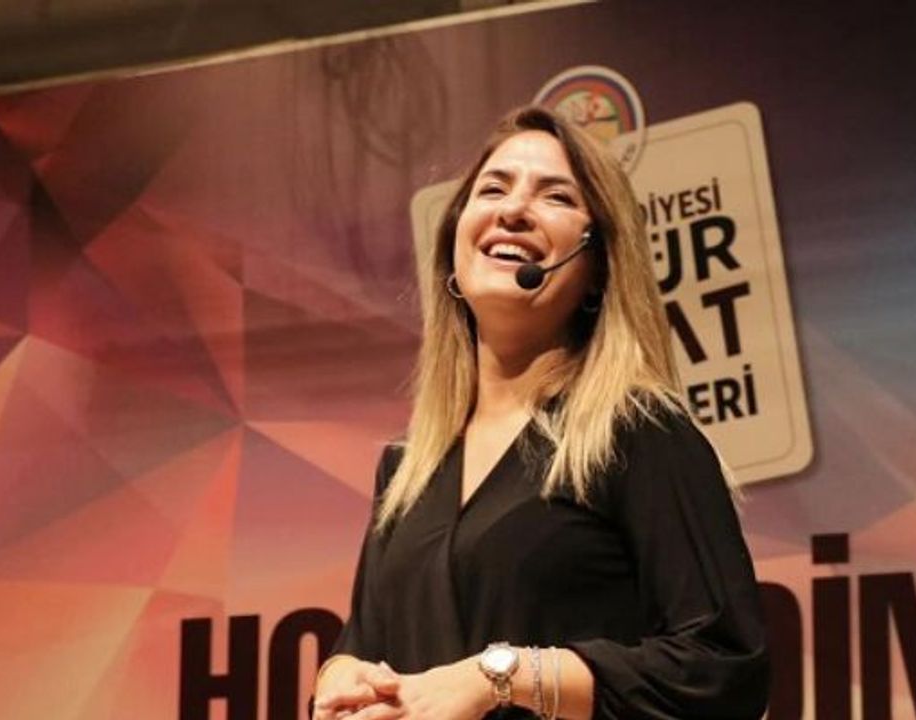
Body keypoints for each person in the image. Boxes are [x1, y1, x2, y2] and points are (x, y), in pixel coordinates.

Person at [311, 106, 769, 720]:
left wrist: (500, 677)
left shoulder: (639, 432)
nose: (513, 210)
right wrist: (340, 677)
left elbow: (726, 669)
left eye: (555, 196)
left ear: (599, 267)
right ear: (454, 245)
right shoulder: (407, 468)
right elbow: (365, 642)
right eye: (493, 189)